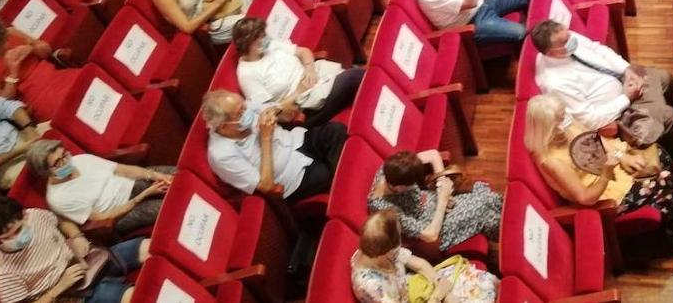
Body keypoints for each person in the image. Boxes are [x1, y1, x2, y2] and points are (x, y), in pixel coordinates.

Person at [523, 94, 673, 250]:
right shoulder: (551, 161)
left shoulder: (566, 124)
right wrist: (606, 171)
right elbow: (585, 198)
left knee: (661, 156)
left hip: (611, 167)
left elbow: (597, 139)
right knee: (662, 181)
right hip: (603, 194)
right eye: (559, 119)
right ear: (548, 128)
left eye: (563, 114)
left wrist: (622, 156)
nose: (565, 121)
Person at [530, 19, 673, 143]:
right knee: (669, 116)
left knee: (664, 77)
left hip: (623, 82)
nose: (572, 40)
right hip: (617, 113)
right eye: (565, 41)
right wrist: (626, 98)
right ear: (550, 53)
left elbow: (597, 49)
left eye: (569, 35)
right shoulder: (556, 83)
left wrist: (626, 70)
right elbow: (590, 120)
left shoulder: (565, 39)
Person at [0, 197, 150, 303]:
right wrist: (59, 287)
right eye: (6, 237)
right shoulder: (3, 273)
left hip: (86, 260)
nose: (15, 238)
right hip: (67, 295)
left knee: (149, 247)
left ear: (25, 215)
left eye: (19, 230)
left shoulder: (35, 215)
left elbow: (61, 221)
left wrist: (77, 237)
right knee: (136, 296)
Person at [202, 89, 348, 202]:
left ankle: (347, 183)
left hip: (296, 140)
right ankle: (348, 190)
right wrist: (266, 138)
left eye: (244, 107)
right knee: (325, 173)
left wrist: (274, 111)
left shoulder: (244, 107)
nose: (246, 112)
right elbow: (266, 186)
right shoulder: (221, 155)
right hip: (291, 176)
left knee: (336, 130)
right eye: (239, 114)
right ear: (223, 127)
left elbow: (285, 111)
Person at [230, 17, 365, 127]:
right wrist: (299, 91)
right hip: (303, 104)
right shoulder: (247, 74)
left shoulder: (270, 45)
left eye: (264, 35)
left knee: (357, 77)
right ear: (248, 44)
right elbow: (269, 111)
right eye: (260, 37)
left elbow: (302, 51)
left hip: (315, 75)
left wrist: (310, 68)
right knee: (355, 77)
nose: (266, 39)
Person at [25, 140, 176, 235]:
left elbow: (122, 169)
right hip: (121, 213)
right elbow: (102, 218)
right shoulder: (58, 198)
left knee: (178, 176)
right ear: (45, 172)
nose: (66, 161)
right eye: (58, 162)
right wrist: (144, 195)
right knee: (171, 207)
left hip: (131, 184)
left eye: (65, 154)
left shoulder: (80, 160)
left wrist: (154, 176)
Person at [367, 149, 503, 252]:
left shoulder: (391, 168)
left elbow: (432, 154)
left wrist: (441, 183)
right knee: (483, 209)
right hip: (435, 224)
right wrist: (443, 202)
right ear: (399, 187)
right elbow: (430, 235)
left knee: (487, 199)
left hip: (435, 201)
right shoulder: (385, 208)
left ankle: (515, 224)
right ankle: (513, 237)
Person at [351, 210, 498, 303]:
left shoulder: (378, 248)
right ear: (387, 250)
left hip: (419, 286)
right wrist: (439, 296)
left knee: (483, 279)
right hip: (420, 298)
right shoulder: (370, 286)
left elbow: (419, 264)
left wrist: (438, 281)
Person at [0, 13, 77, 122]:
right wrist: (13, 73)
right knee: (70, 106)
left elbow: (47, 51)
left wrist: (31, 48)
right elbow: (2, 102)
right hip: (35, 96)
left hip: (55, 75)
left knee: (87, 83)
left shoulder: (11, 33)